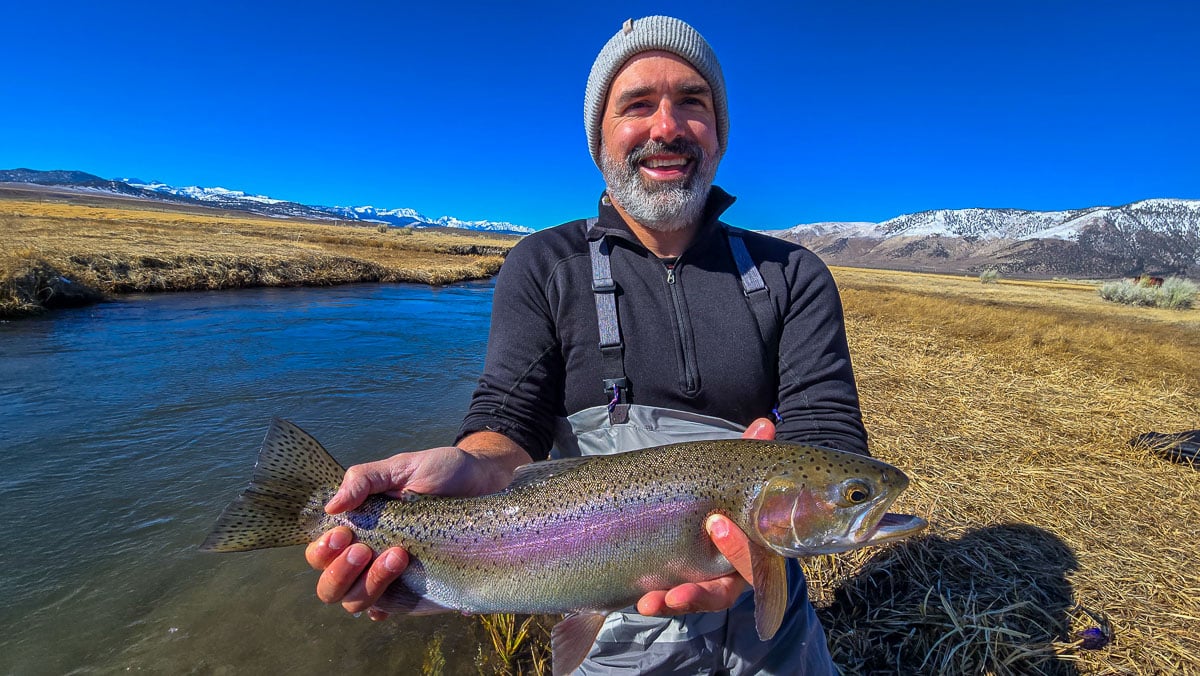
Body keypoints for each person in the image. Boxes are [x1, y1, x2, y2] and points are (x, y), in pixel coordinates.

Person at [306, 15, 868, 675]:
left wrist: (767, 549)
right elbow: (505, 424)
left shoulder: (791, 275)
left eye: (693, 102)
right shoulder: (543, 265)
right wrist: (470, 478)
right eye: (637, 106)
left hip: (775, 634)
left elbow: (829, 445)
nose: (667, 127)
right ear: (598, 137)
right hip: (606, 637)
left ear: (719, 132)